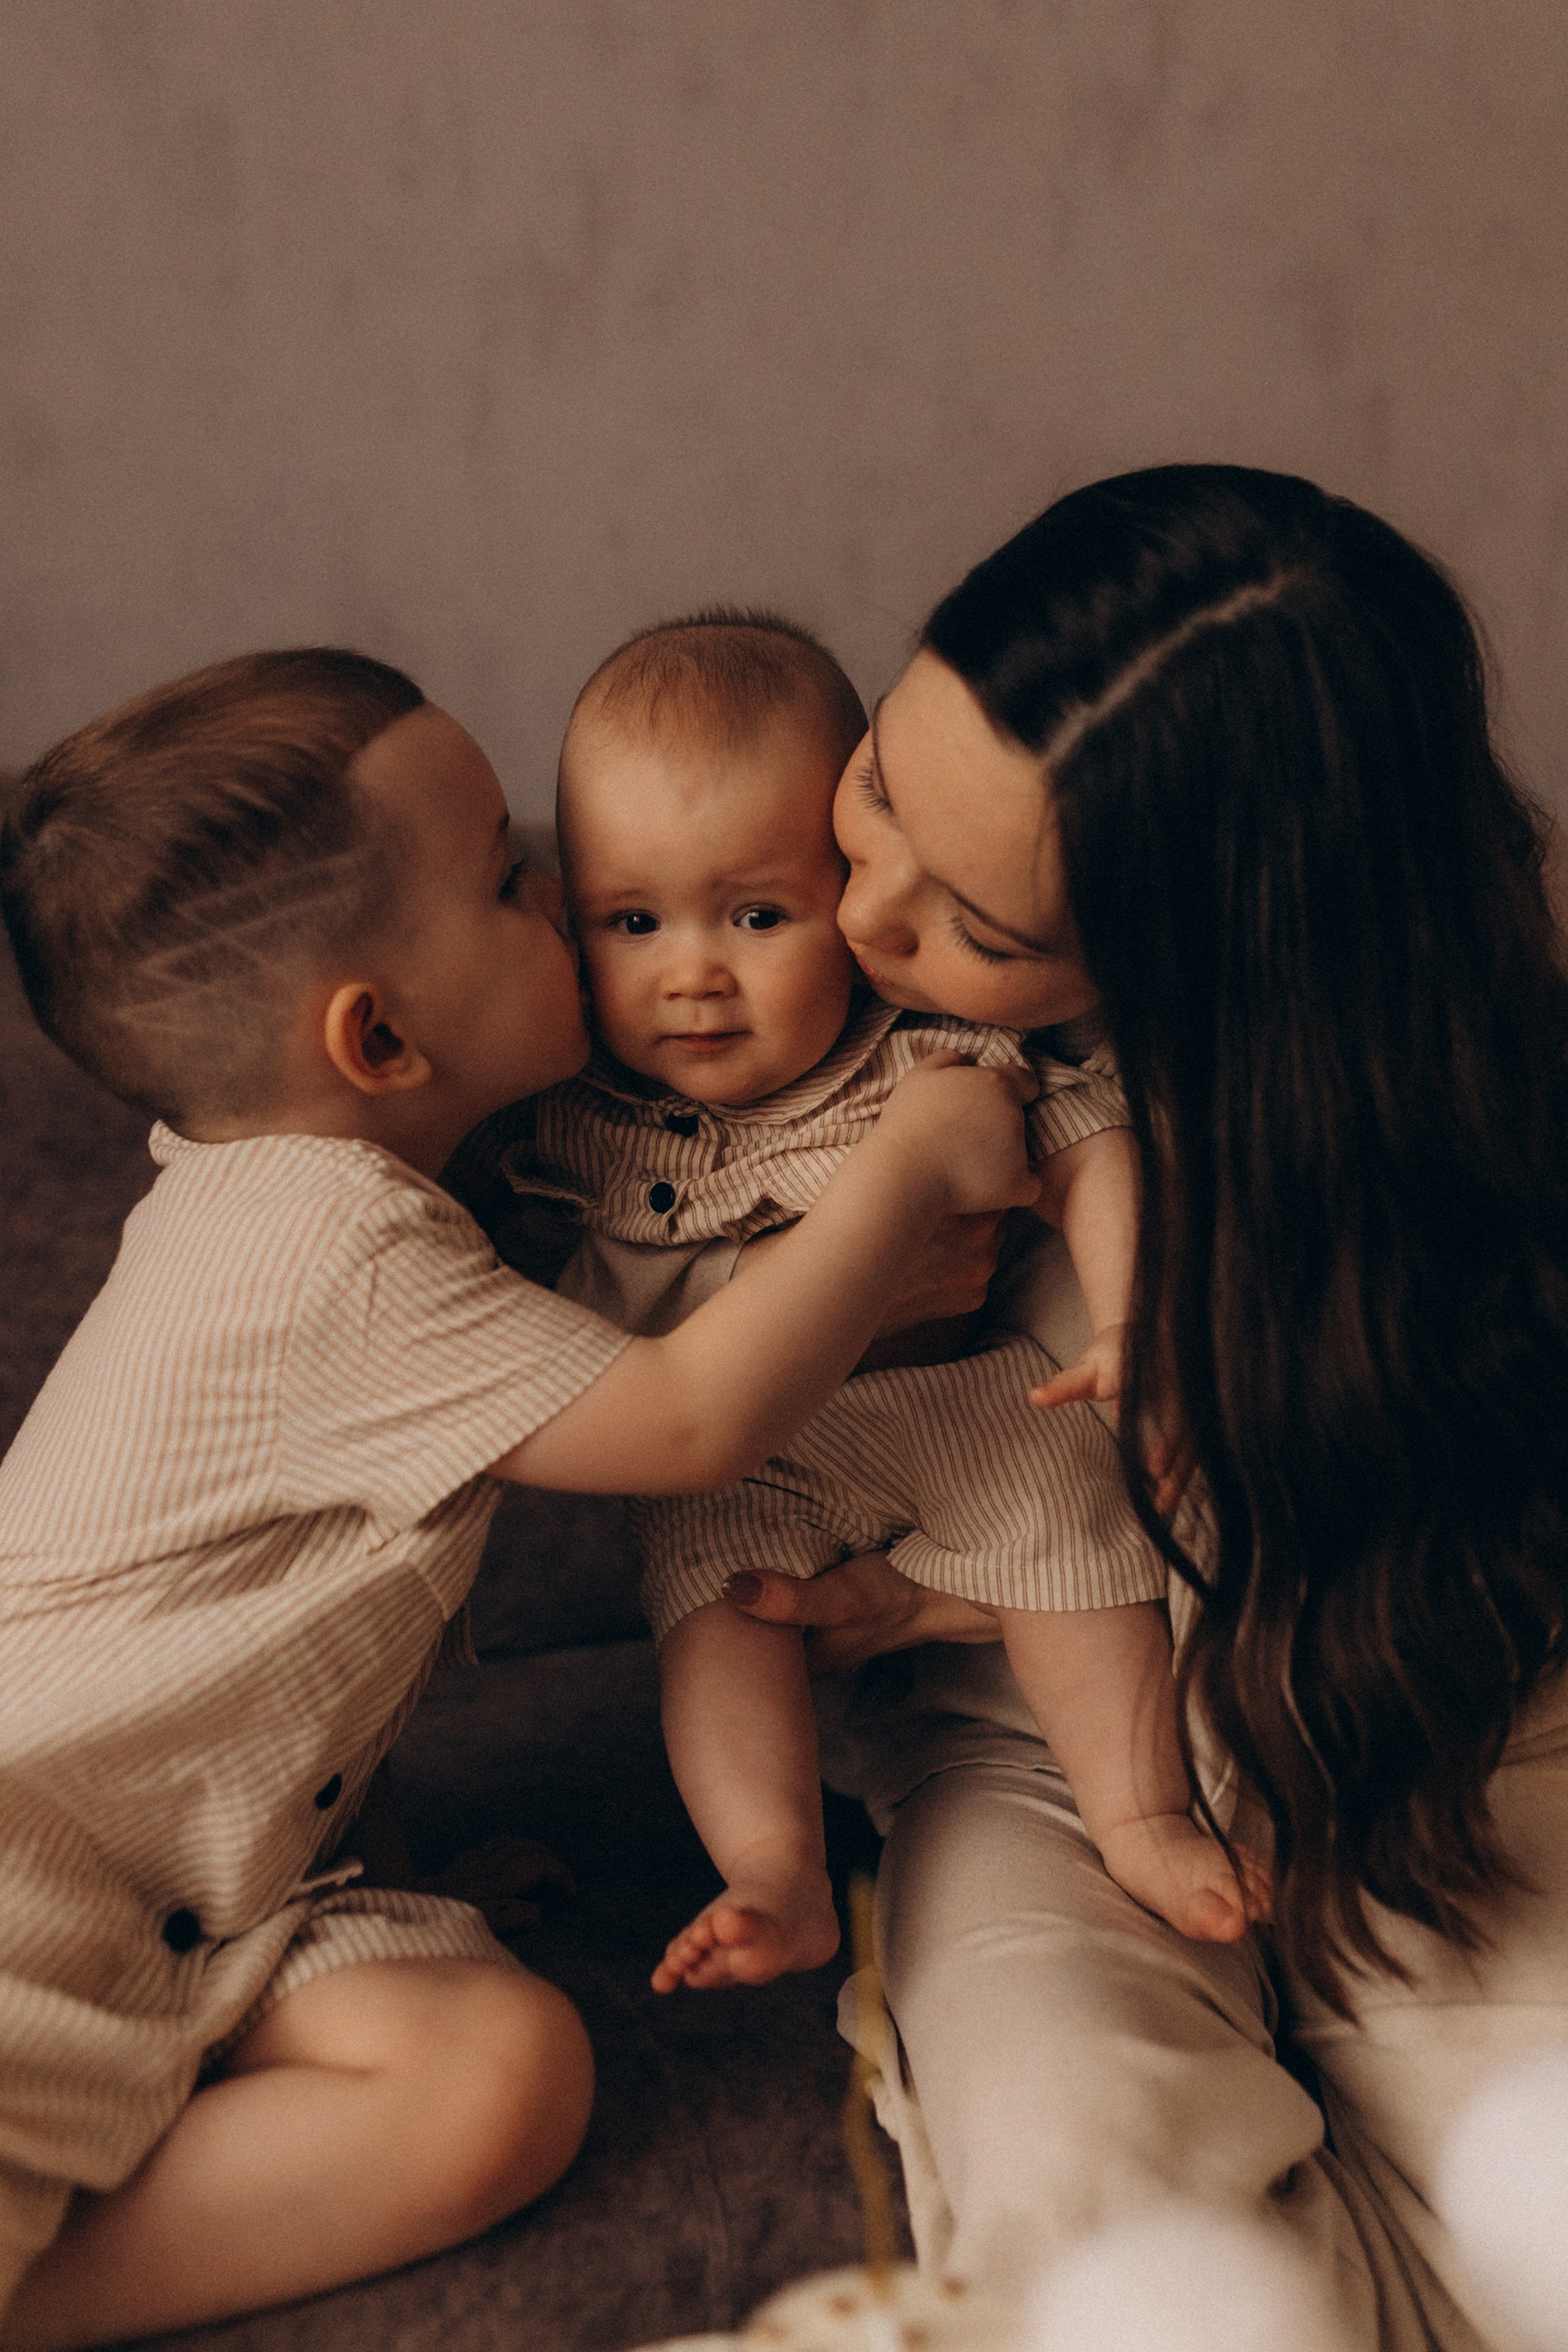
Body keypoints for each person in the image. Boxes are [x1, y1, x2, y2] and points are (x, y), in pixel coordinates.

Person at [0, 650, 1035, 2350]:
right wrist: (913, 1154)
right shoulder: (318, 1239)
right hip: (33, 1874)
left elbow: (270, 1640)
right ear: (380, 1034)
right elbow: (696, 1415)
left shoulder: (348, 1214)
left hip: (207, 1894)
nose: (563, 898)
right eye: (508, 876)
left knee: (503, 2072)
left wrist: (373, 1855)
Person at [723, 466, 1568, 2349]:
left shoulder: (1473, 1040)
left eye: (984, 929)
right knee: (1102, 2222)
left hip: (1443, 1706)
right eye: (878, 784)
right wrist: (936, 1584)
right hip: (1036, 1737)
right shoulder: (770, 988)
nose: (856, 915)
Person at [453, 608, 1263, 2000]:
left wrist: (1131, 1324)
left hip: (967, 1404)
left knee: (1067, 1537)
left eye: (757, 915)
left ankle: (1139, 1815)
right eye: (631, 921)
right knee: (710, 1608)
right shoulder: (569, 1109)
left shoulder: (928, 1042)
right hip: (745, 1461)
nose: (690, 972)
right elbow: (549, 1331)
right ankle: (773, 1869)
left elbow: (1088, 1149)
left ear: (849, 887)